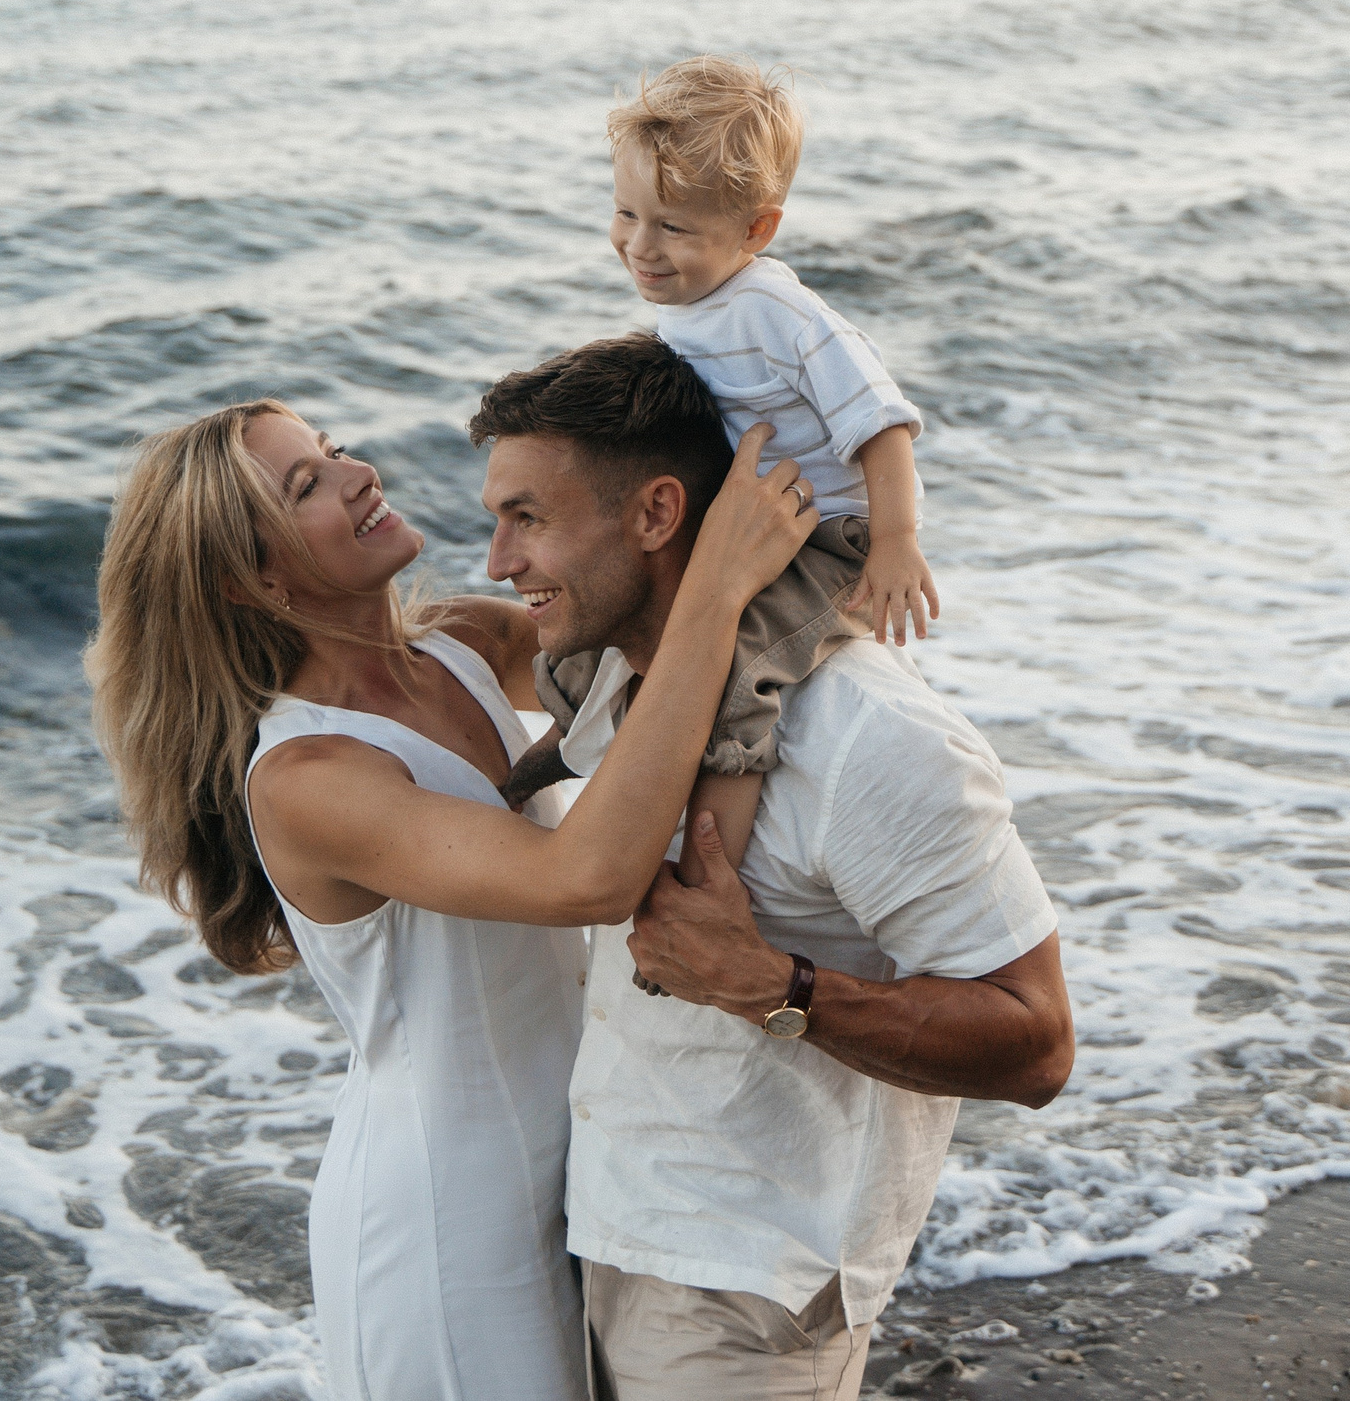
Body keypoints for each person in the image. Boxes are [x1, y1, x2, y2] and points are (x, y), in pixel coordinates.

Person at [84, 392, 816, 1401]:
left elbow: (645, 638)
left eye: (334, 450)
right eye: (308, 484)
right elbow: (586, 877)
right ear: (250, 579)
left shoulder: (467, 643)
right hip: (448, 1220)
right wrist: (720, 586)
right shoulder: (307, 776)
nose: (357, 473)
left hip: (600, 1169)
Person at [470, 335, 1074, 1400]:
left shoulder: (868, 737)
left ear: (656, 516)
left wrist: (775, 988)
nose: (498, 561)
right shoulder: (615, 683)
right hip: (606, 1231)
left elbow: (1035, 1044)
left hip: (750, 1282)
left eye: (528, 519)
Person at [508, 55, 940, 890]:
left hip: (822, 539)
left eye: (672, 227)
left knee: (742, 669)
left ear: (756, 230)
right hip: (744, 520)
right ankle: (571, 748)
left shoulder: (777, 311)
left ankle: (710, 882)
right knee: (606, 610)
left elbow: (882, 423)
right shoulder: (690, 306)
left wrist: (894, 542)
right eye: (625, 213)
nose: (639, 245)